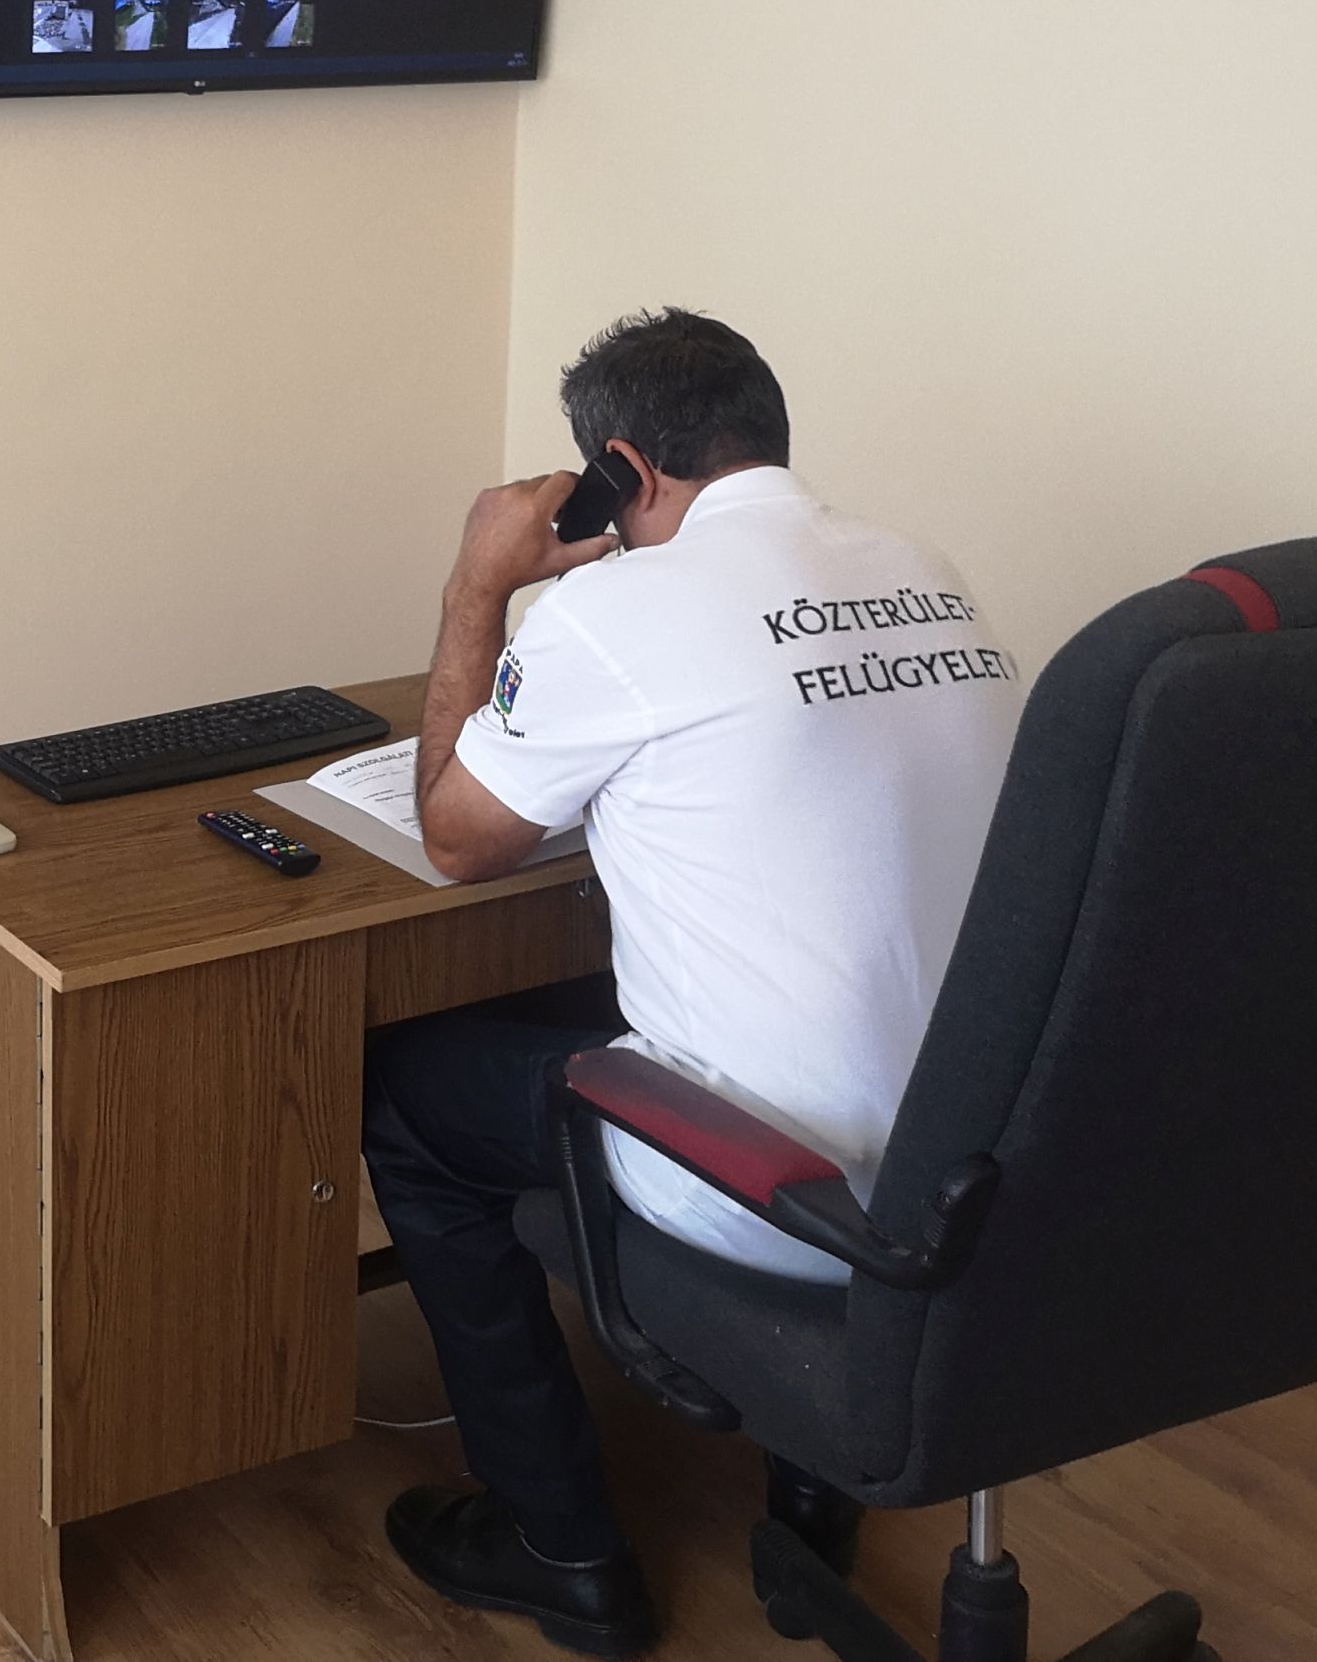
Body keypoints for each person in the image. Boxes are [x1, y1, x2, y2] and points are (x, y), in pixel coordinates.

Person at [366, 308, 1023, 1656]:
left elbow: (454, 837)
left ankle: (558, 1545)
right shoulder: (925, 568)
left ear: (621, 468)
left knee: (411, 1092)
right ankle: (811, 1487)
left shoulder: (615, 613)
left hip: (780, 1189)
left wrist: (477, 587)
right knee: (583, 1009)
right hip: (974, 1163)